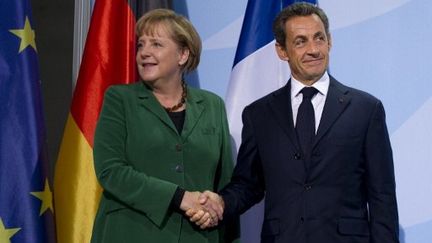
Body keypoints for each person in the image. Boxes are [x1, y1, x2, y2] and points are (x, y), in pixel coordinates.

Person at [189, 2, 399, 243]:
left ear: (329, 41)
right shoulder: (259, 114)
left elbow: (382, 197)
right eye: (300, 41)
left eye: (319, 38)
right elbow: (248, 184)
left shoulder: (365, 109)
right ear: (282, 50)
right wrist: (221, 203)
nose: (313, 49)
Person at [90, 8, 239, 243]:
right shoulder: (120, 99)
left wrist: (216, 206)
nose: (144, 53)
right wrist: (180, 197)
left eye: (156, 45)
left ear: (182, 55)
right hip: (130, 234)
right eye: (141, 45)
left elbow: (224, 182)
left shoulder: (212, 105)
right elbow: (111, 171)